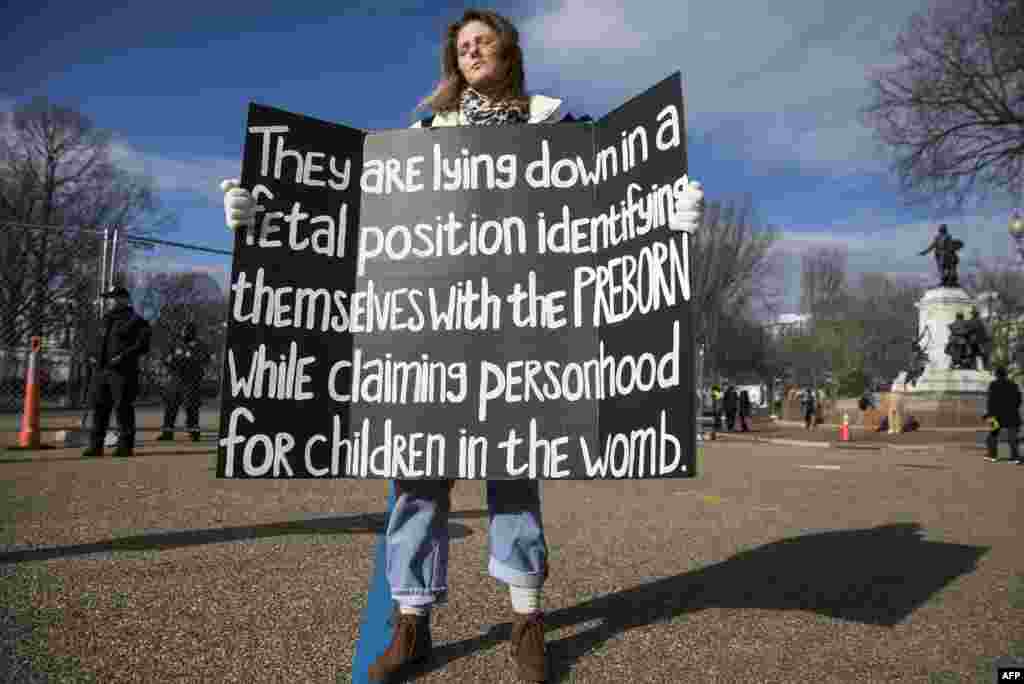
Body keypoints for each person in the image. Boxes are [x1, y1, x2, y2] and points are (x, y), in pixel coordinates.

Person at [220, 9, 705, 682]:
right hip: (428, 327)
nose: (473, 49)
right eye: (462, 45)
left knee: (514, 476)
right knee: (417, 480)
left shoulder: (561, 132)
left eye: (484, 39)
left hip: (525, 329)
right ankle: (411, 624)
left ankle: (527, 619)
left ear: (509, 50)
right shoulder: (421, 139)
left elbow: (607, 211)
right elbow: (354, 219)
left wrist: (664, 218)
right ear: (456, 61)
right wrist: (266, 217)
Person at [83, 286, 152, 458]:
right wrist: (91, 356)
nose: (109, 301)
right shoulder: (104, 319)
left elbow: (142, 345)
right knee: (100, 408)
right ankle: (95, 446)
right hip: (101, 371)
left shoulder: (136, 321)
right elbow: (93, 342)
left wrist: (123, 357)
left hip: (122, 373)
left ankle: (125, 446)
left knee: (123, 408)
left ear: (124, 299)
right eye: (108, 298)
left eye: (113, 297)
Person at [157, 322, 210, 442]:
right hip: (175, 379)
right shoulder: (176, 343)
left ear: (193, 333)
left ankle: (194, 433)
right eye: (183, 330)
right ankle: (167, 433)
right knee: (170, 407)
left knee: (191, 408)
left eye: (187, 331)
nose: (184, 333)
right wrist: (168, 360)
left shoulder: (200, 345)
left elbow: (205, 360)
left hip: (191, 381)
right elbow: (166, 357)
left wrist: (191, 358)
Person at [983, 366, 1022, 463]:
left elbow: (991, 401)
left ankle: (992, 455)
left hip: (996, 415)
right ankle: (1015, 457)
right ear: (1006, 374)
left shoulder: (993, 384)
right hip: (1012, 414)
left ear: (996, 374)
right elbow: (1019, 399)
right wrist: (1014, 408)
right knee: (1012, 437)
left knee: (992, 436)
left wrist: (988, 414)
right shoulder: (1013, 384)